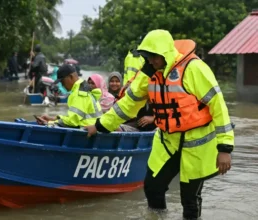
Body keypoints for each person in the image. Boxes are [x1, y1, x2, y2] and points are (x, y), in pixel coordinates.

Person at [85, 29, 234, 219]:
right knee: (152, 187)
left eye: (155, 57)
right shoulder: (148, 73)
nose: (152, 61)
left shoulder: (194, 69)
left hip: (198, 143)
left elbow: (218, 106)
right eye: (148, 57)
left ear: (166, 53)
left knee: (189, 199)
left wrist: (225, 148)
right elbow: (127, 104)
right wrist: (99, 126)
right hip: (167, 141)